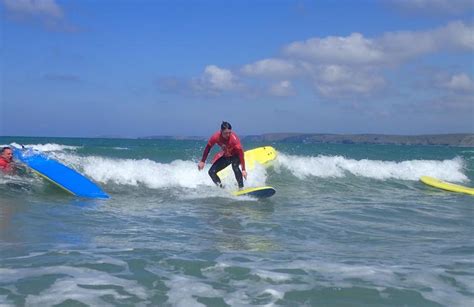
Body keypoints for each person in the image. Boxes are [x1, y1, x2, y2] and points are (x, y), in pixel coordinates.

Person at [198, 121, 247, 189]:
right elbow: (208, 147)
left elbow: (241, 153)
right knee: (211, 172)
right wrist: (203, 161)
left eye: (229, 132)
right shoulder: (216, 137)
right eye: (226, 133)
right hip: (227, 156)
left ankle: (241, 188)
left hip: (236, 155)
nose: (228, 135)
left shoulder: (234, 140)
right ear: (221, 131)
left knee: (235, 166)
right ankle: (221, 189)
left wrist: (243, 169)